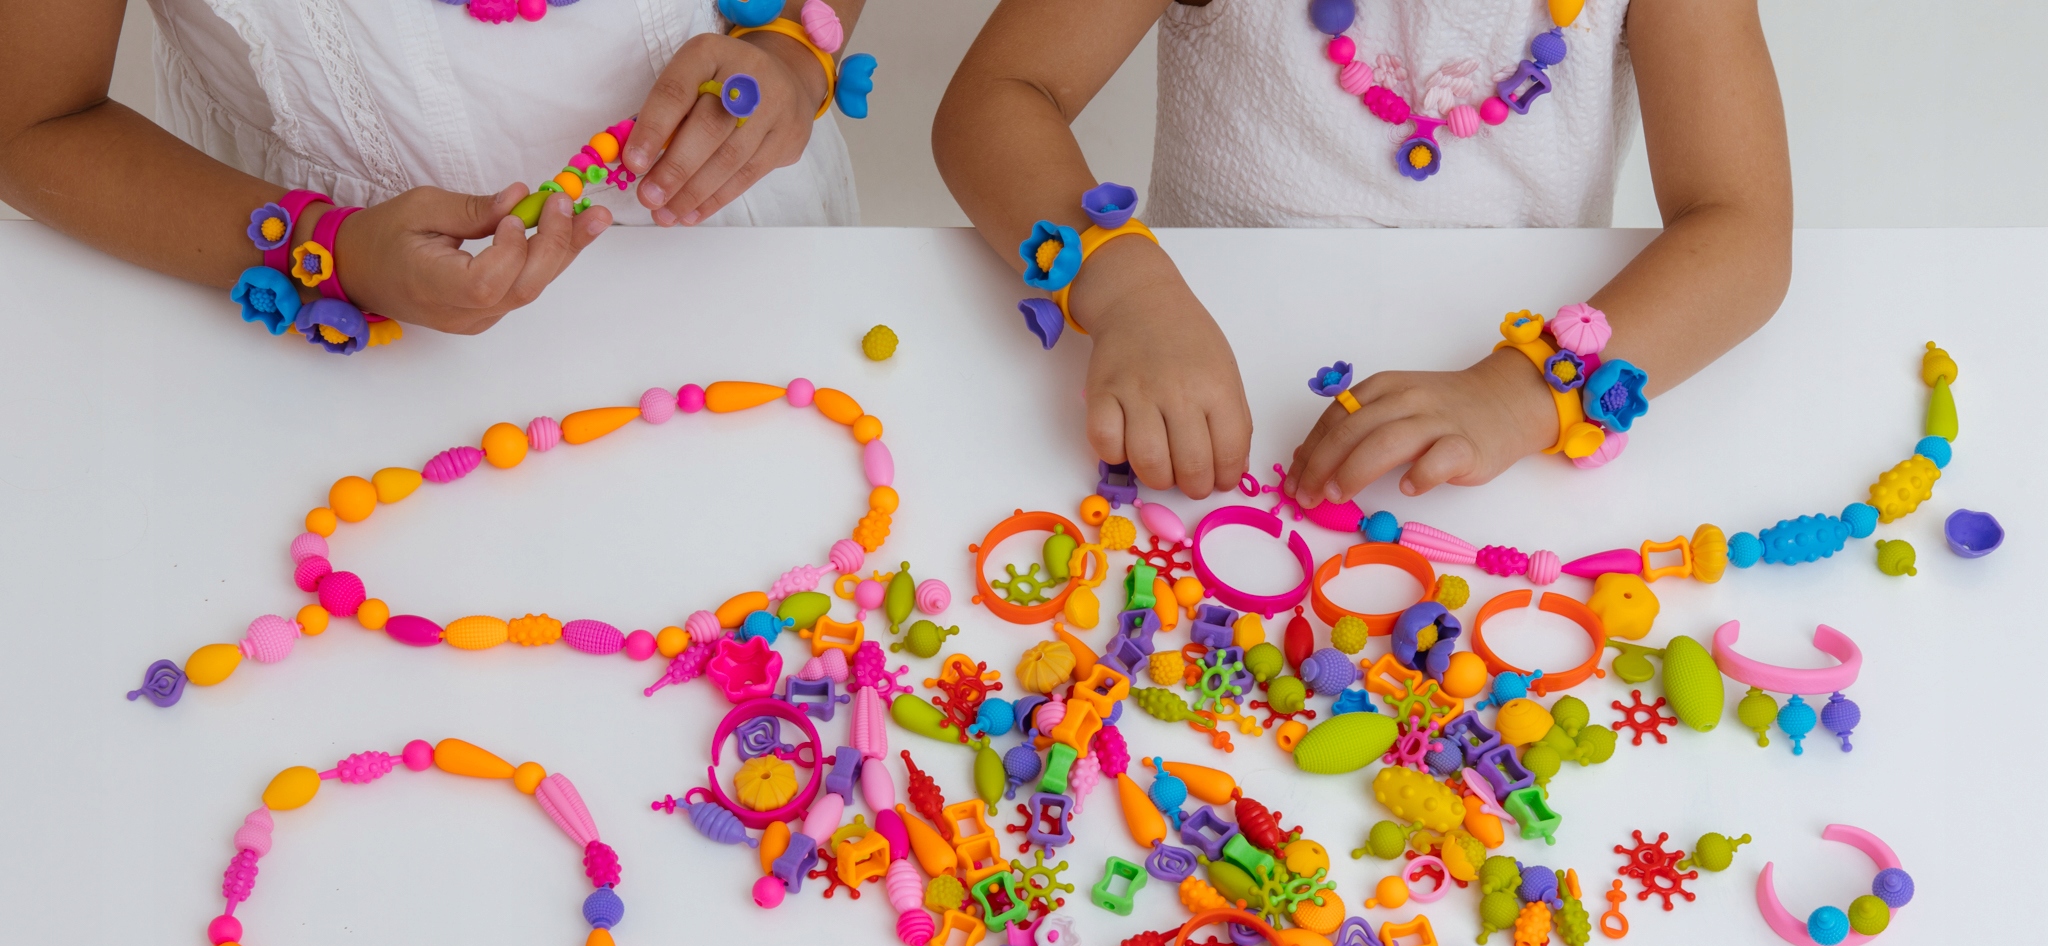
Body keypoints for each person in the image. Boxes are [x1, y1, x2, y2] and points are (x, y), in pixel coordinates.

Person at [934, 0, 1791, 501]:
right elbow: (996, 99)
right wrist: (1125, 292)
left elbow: (1742, 230)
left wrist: (1520, 391)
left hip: (1515, 445)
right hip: (1190, 367)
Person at [0, 0, 865, 339]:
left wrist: (794, 51)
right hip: (345, 335)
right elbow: (32, 124)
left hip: (748, 269)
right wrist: (333, 252)